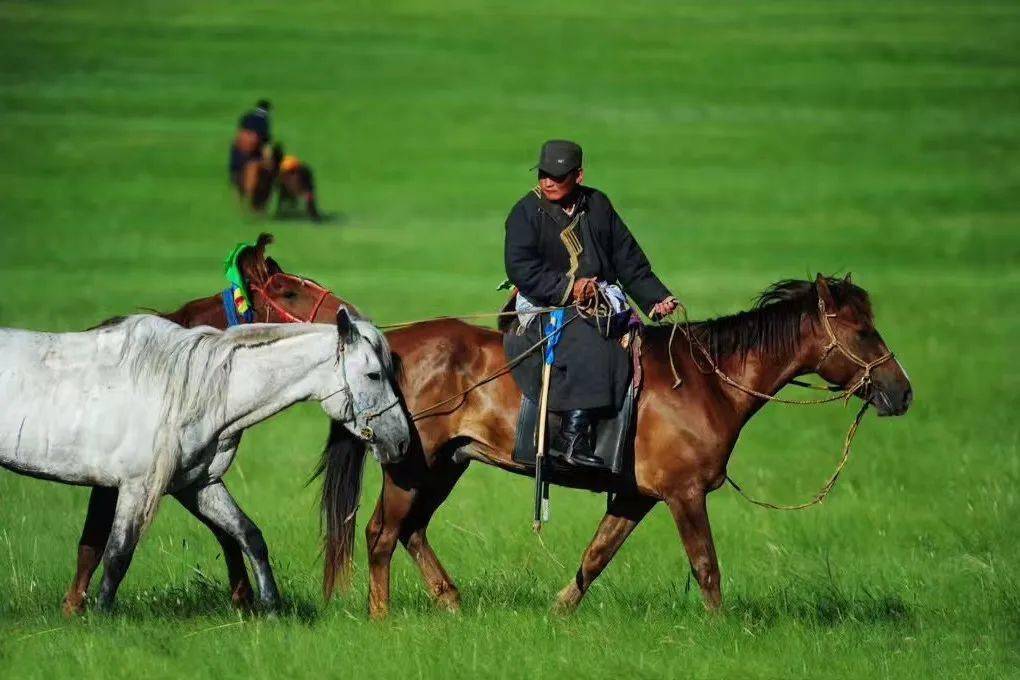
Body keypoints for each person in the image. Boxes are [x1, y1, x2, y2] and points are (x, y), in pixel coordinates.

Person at [503, 140, 678, 467]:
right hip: (543, 302)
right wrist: (570, 288)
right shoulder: (525, 212)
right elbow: (521, 267)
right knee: (590, 336)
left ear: (578, 176)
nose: (548, 181)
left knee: (621, 333)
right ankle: (573, 437)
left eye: (558, 175)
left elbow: (627, 258)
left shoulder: (598, 205)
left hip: (599, 299)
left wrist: (656, 298)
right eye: (544, 174)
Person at [229, 99, 272, 190]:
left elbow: (239, 132)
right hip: (254, 143)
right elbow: (265, 141)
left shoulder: (247, 115)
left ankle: (233, 173)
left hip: (241, 141)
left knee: (234, 150)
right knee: (263, 161)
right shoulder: (265, 120)